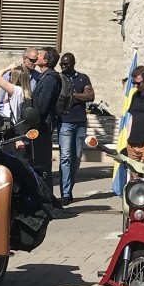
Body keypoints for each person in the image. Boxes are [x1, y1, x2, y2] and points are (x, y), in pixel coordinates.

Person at [56, 52, 94, 205]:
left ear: (73, 63)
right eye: (62, 64)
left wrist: (72, 96)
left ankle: (69, 189)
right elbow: (60, 98)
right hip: (64, 122)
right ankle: (65, 193)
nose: (64, 67)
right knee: (65, 157)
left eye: (67, 64)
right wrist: (80, 96)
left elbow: (91, 97)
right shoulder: (59, 78)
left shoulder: (83, 78)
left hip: (80, 122)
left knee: (76, 158)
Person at [29, 46, 62, 188]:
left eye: (40, 54)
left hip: (42, 127)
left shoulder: (49, 79)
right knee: (38, 163)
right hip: (40, 126)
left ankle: (46, 200)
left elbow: (42, 106)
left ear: (46, 60)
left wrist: (31, 117)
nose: (37, 56)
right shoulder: (44, 77)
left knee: (42, 164)